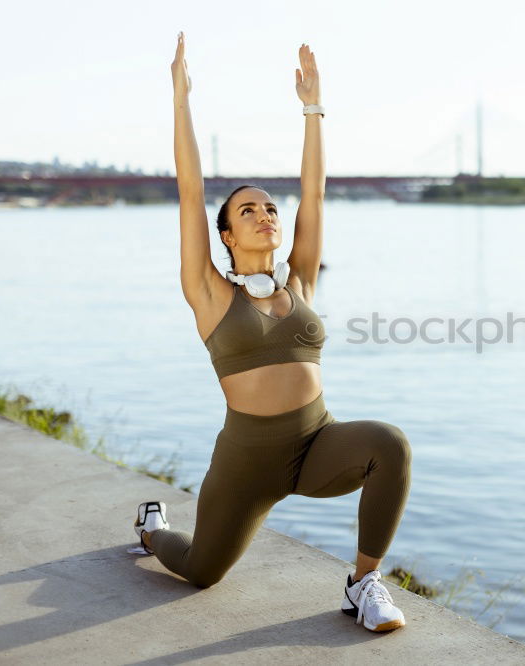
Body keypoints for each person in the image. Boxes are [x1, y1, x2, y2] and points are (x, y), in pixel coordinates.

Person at [131, 32, 412, 633]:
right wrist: (181, 100)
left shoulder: (300, 282)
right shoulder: (209, 292)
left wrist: (313, 109)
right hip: (247, 459)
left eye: (270, 210)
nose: (264, 215)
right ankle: (154, 531)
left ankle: (363, 584)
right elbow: (189, 190)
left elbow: (315, 192)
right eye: (247, 211)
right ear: (226, 236)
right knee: (203, 571)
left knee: (389, 444)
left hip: (318, 442)